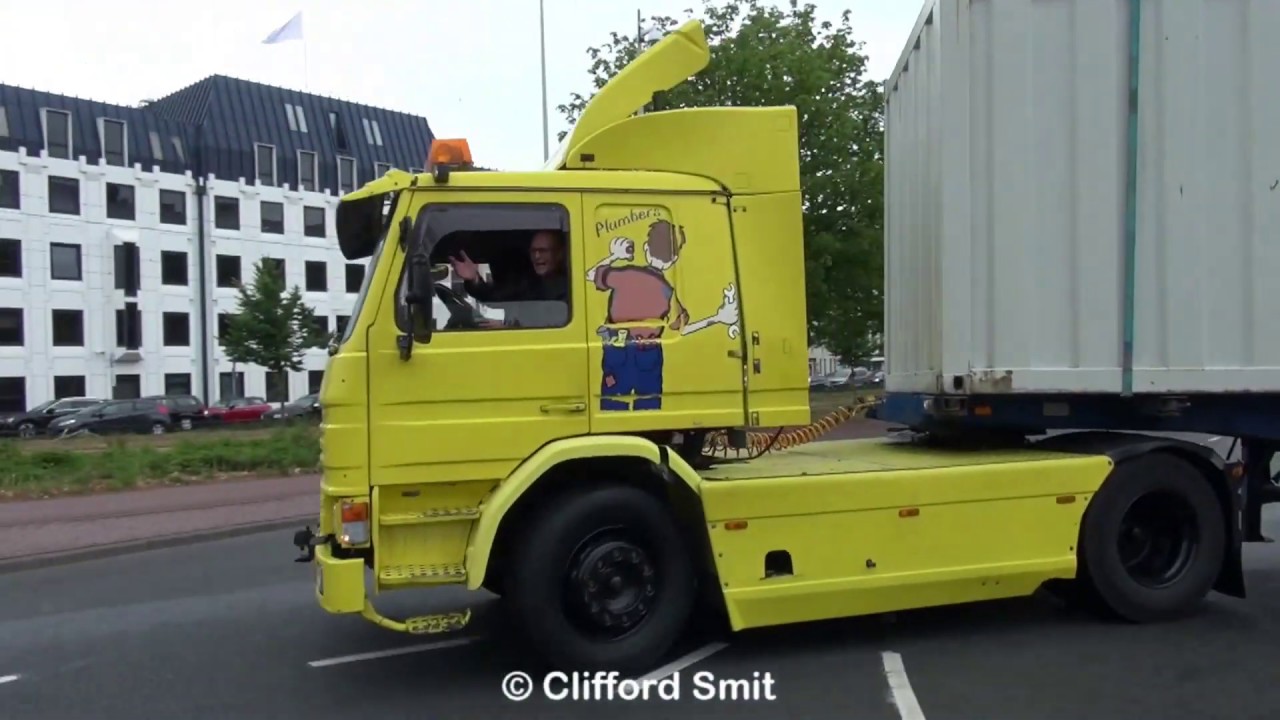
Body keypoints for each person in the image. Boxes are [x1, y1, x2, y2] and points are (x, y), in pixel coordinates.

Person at [448, 230, 569, 328]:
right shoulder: (531, 283)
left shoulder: (570, 288)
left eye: (543, 251)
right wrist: (474, 278)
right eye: (533, 251)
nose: (537, 256)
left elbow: (555, 326)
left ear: (559, 254)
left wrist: (507, 328)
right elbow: (499, 296)